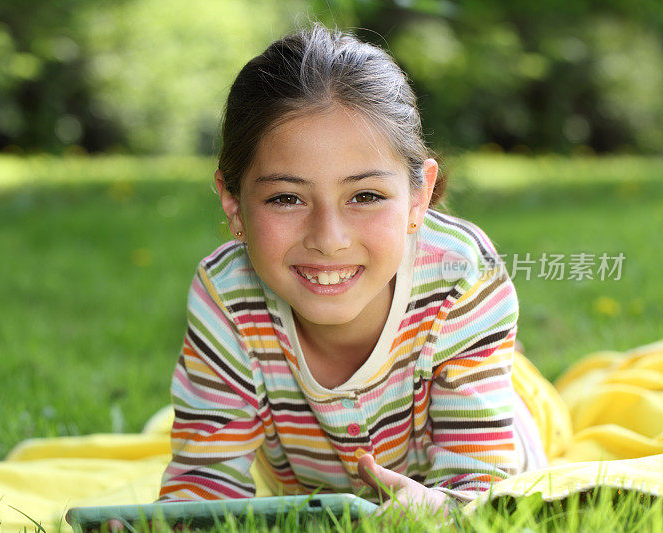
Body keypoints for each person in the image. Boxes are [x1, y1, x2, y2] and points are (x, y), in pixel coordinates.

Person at [153, 21, 547, 520]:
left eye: (365, 196)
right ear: (233, 204)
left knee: (533, 399)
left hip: (499, 440)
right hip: (325, 492)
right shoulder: (225, 295)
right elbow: (204, 486)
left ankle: (516, 370)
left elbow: (487, 494)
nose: (329, 238)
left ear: (419, 195)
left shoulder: (461, 271)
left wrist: (442, 512)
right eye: (287, 198)